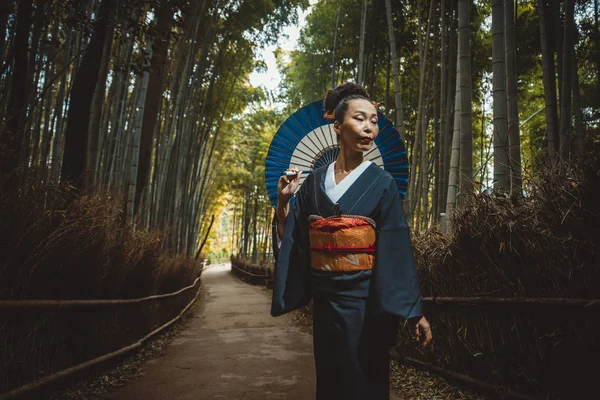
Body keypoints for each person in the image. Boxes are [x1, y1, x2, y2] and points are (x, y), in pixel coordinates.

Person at [271, 82, 432, 400]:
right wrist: (283, 204)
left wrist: (413, 310)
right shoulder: (314, 183)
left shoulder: (382, 183)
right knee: (330, 386)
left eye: (374, 120)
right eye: (360, 118)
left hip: (367, 308)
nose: (369, 127)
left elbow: (396, 250)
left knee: (365, 386)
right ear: (337, 126)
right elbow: (296, 242)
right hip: (326, 308)